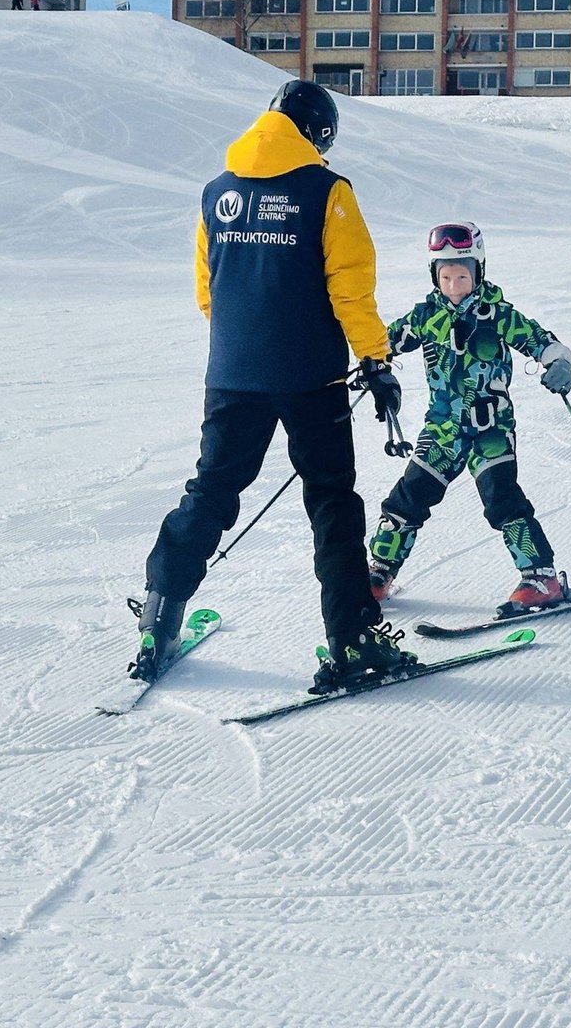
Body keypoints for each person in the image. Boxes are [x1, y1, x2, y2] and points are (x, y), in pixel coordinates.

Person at [131, 80, 416, 695]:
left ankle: (159, 613)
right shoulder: (329, 193)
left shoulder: (217, 192)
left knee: (211, 490)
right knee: (332, 500)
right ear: (318, 135)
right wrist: (375, 358)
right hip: (312, 377)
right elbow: (350, 287)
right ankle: (353, 639)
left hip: (232, 375)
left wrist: (249, 347)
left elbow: (209, 292)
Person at [366, 221, 571, 614]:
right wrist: (372, 365)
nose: (454, 284)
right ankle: (379, 572)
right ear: (435, 276)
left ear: (478, 272)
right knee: (407, 499)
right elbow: (380, 341)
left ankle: (541, 578)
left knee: (503, 500)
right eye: (445, 276)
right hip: (443, 430)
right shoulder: (426, 317)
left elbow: (541, 341)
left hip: (491, 430)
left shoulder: (497, 315)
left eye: (462, 275)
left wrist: (559, 363)